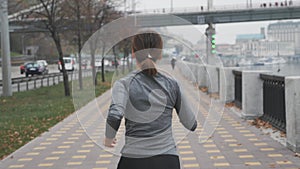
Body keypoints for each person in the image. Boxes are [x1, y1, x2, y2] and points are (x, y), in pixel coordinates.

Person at [104, 31, 197, 169]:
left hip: (133, 161)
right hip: (167, 161)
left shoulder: (123, 84)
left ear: (133, 53)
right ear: (159, 54)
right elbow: (191, 124)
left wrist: (109, 138)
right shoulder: (172, 84)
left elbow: (114, 115)